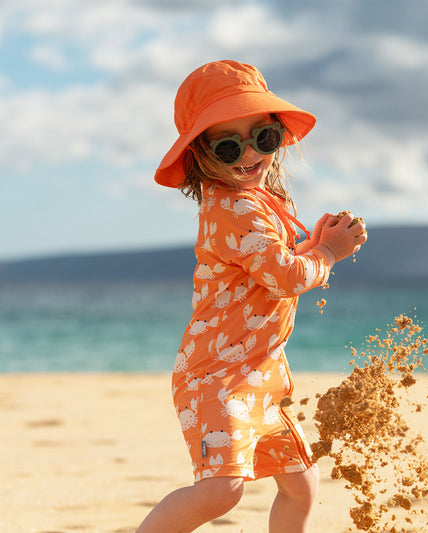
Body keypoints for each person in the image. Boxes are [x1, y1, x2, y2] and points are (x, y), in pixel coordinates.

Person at [137, 60, 367, 533]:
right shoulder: (233, 206)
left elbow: (267, 269)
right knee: (220, 491)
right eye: (227, 145)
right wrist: (327, 251)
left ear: (278, 135)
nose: (247, 154)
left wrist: (310, 245)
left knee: (301, 482)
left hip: (258, 372)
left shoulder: (267, 202)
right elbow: (285, 278)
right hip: (216, 376)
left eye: (261, 138)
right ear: (201, 156)